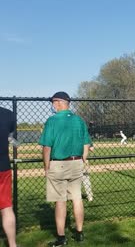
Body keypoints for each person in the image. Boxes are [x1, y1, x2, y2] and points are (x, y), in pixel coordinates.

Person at [39, 91, 91, 246]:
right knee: (76, 198)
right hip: (76, 163)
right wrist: (83, 160)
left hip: (59, 164)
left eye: (53, 102)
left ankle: (61, 238)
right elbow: (86, 144)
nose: (52, 106)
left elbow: (47, 147)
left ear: (59, 102)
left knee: (60, 201)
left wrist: (46, 167)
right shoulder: (78, 120)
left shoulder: (52, 120)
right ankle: (79, 232)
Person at [0, 107, 17, 247]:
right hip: (3, 166)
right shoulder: (8, 114)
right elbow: (10, 137)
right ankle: (12, 245)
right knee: (6, 208)